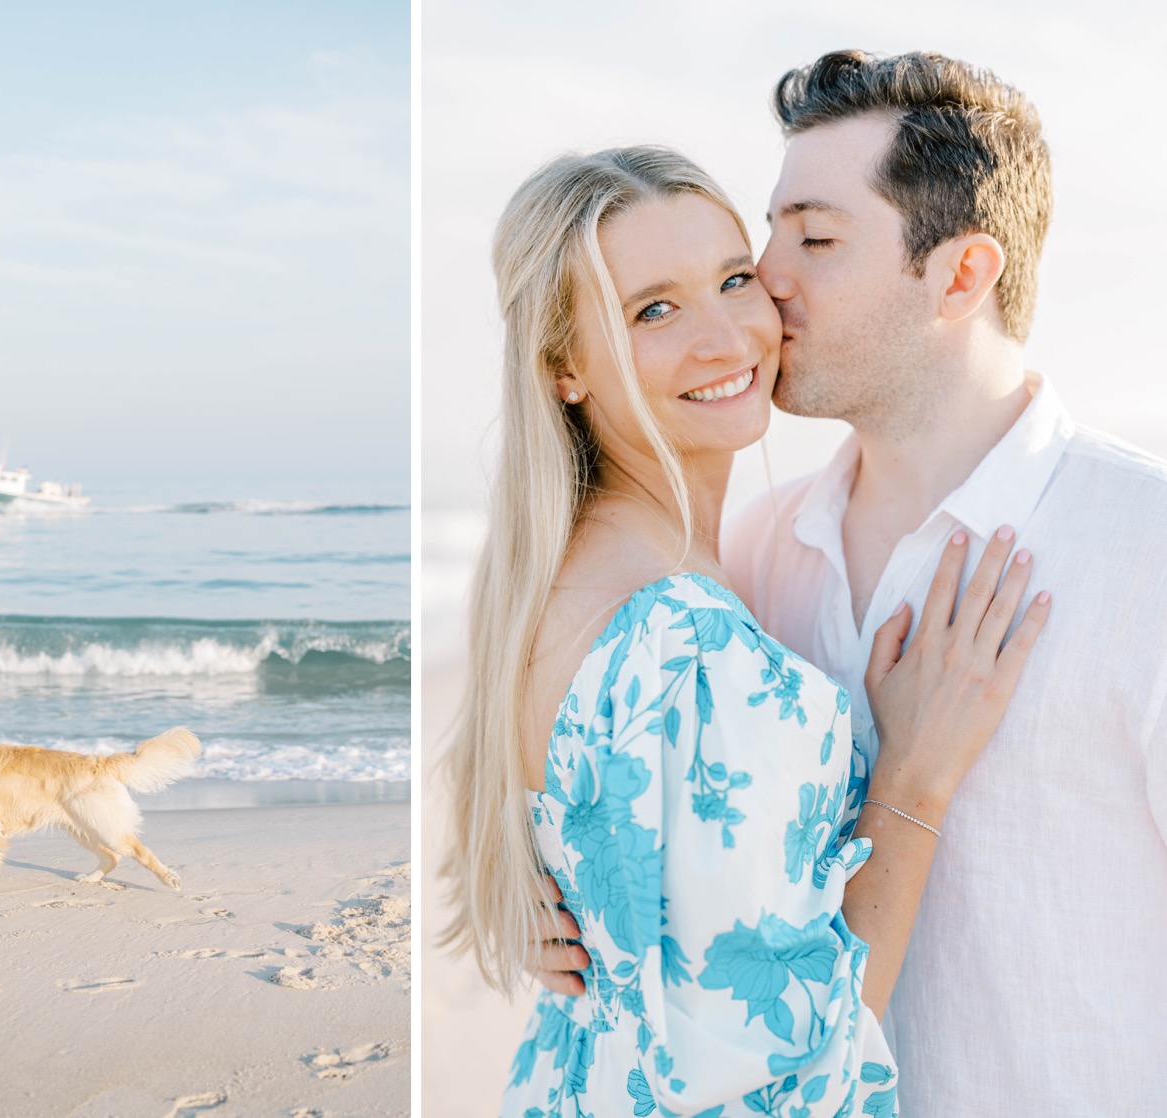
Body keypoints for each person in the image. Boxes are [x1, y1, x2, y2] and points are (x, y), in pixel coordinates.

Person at [531, 51, 1167, 1116]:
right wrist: (563, 903)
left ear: (960, 276)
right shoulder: (759, 552)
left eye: (815, 239)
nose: (765, 280)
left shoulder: (1142, 546)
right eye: (770, 232)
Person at [438, 143, 1050, 1117]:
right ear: (562, 365)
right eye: (654, 309)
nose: (727, 337)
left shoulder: (558, 581)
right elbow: (797, 1074)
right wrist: (913, 779)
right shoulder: (685, 646)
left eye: (733, 279)